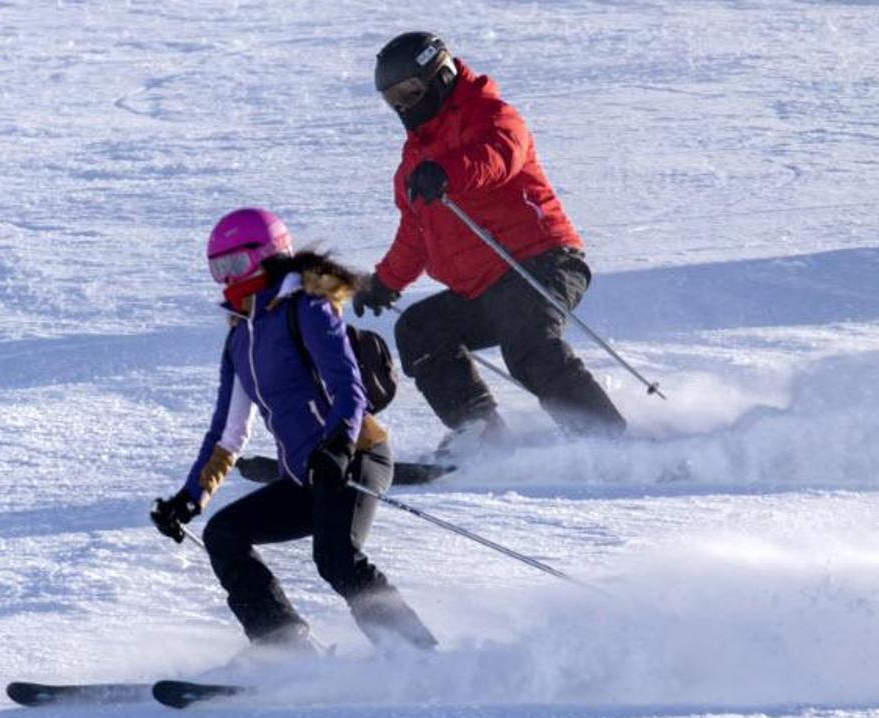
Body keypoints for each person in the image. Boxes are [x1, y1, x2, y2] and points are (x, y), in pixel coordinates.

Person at [151, 207, 436, 655]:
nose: (226, 279)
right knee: (225, 533)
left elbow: (348, 385)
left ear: (266, 255)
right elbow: (227, 433)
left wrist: (338, 447)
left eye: (234, 264)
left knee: (336, 557)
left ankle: (415, 654)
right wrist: (191, 497)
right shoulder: (240, 338)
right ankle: (283, 645)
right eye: (217, 269)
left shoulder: (306, 307)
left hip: (356, 454)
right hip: (306, 474)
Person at [354, 32, 626, 455]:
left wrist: (447, 172)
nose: (404, 107)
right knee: (420, 330)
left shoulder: (491, 113)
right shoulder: (413, 161)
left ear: (440, 77)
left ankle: (607, 441)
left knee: (528, 345)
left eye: (411, 92)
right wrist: (385, 282)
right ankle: (482, 437)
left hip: (541, 263)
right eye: (393, 100)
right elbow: (416, 233)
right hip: (483, 289)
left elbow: (498, 157)